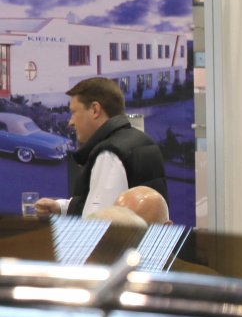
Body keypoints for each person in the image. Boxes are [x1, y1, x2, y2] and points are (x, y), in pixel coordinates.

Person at [33, 77, 167, 219]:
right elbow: (125, 206)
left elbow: (98, 221)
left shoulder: (109, 154)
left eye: (74, 112)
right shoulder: (141, 141)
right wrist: (62, 207)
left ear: (95, 110)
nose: (70, 122)